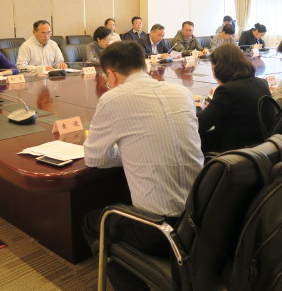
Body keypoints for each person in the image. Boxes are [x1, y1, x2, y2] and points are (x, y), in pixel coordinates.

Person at [81, 41, 203, 291]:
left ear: (111, 74)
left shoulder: (113, 99)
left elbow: (94, 158)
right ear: (145, 65)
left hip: (160, 229)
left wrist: (128, 152)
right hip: (202, 217)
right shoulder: (181, 92)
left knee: (92, 222)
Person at [197, 44, 270, 153]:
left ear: (218, 68)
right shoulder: (262, 83)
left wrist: (196, 110)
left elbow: (199, 125)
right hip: (265, 150)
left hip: (237, 155)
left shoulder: (227, 91)